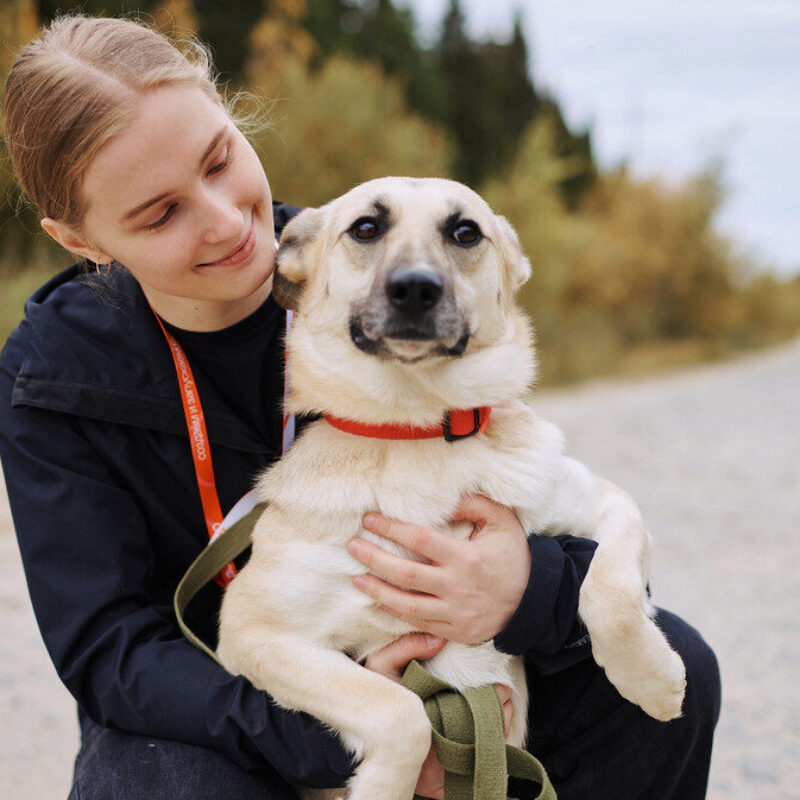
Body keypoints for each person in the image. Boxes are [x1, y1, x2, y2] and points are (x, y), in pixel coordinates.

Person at [0, 14, 720, 800]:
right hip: (233, 712)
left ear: (230, 115)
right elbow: (109, 648)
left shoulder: (361, 264)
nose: (225, 220)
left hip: (455, 665)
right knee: (158, 782)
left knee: (676, 675)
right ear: (81, 240)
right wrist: (352, 737)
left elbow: (541, 492)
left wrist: (526, 591)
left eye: (219, 159)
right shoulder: (50, 376)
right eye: (159, 213)